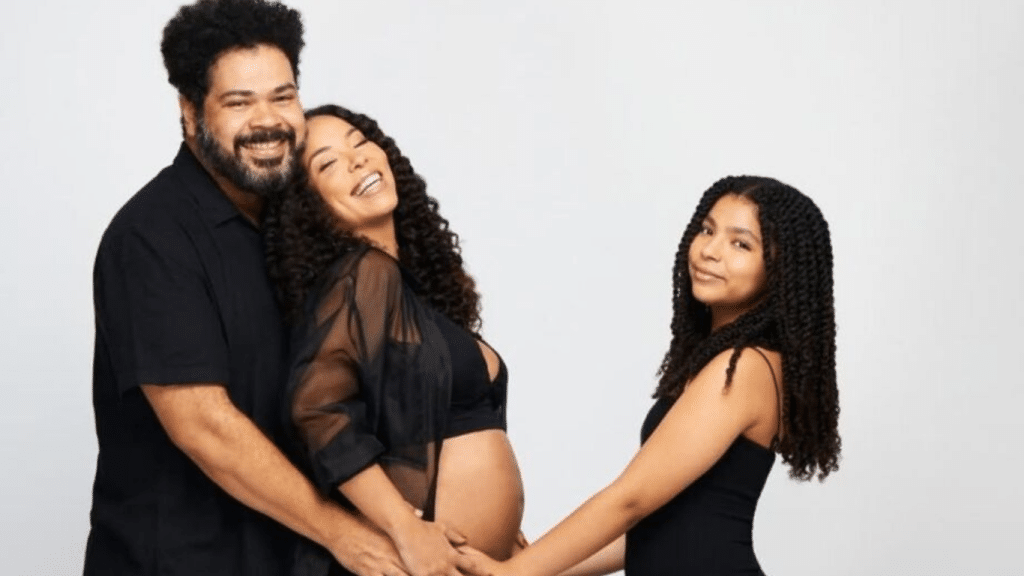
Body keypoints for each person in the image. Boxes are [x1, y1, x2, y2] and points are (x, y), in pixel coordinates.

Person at [86, 2, 411, 575]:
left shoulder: (301, 224)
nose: (268, 121)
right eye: (239, 102)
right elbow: (204, 425)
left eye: (282, 97)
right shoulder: (151, 236)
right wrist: (345, 535)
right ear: (191, 113)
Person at [458, 175, 842, 576]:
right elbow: (652, 531)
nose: (710, 251)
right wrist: (531, 566)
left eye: (740, 244)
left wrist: (514, 573)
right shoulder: (723, 361)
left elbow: (630, 500)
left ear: (780, 270)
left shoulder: (744, 366)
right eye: (707, 230)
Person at [263, 104, 525, 576]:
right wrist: (404, 527)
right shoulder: (363, 273)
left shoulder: (411, 294)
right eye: (328, 163)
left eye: (361, 143)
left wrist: (507, 531)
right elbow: (316, 409)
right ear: (308, 205)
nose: (358, 159)